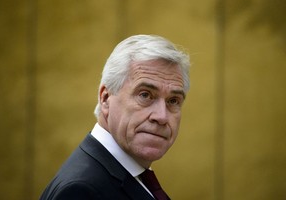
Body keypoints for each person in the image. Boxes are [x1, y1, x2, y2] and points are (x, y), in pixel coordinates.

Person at [40, 34, 190, 200]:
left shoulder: (131, 175)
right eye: (145, 95)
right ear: (105, 99)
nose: (161, 116)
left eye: (173, 101)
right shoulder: (81, 191)